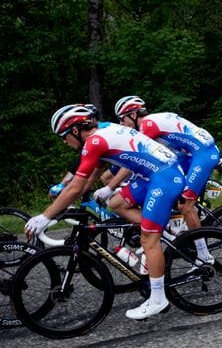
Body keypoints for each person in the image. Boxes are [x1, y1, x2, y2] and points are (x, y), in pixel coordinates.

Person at [25, 104, 185, 320]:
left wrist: (45, 216)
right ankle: (159, 227)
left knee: (148, 239)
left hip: (164, 177)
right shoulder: (102, 132)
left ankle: (158, 298)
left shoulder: (95, 141)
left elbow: (75, 187)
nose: (64, 141)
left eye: (63, 136)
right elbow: (88, 177)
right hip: (152, 174)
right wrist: (94, 190)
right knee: (117, 203)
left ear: (75, 130)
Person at [105, 95, 220, 245]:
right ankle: (171, 223)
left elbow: (139, 157)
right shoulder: (151, 121)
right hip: (190, 153)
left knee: (185, 205)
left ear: (133, 115)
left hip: (202, 154)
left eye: (122, 119)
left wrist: (110, 186)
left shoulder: (147, 126)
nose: (122, 124)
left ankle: (203, 256)